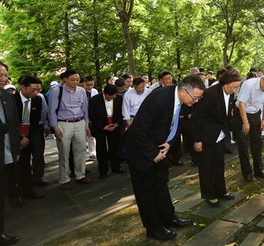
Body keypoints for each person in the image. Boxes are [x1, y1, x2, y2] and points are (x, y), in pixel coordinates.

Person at [125, 75, 205, 241]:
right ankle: (153, 228)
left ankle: (168, 218)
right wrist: (153, 153)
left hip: (161, 149)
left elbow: (177, 125)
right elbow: (137, 130)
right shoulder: (158, 99)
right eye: (195, 97)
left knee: (160, 185)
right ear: (184, 91)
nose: (196, 101)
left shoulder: (184, 103)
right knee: (145, 192)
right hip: (141, 152)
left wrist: (169, 144)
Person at [192, 69, 241, 207]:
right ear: (226, 83)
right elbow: (197, 118)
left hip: (219, 135)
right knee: (206, 167)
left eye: (237, 87)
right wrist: (197, 140)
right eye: (234, 87)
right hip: (205, 136)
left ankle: (221, 191)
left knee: (219, 164)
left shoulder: (230, 94)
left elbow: (225, 115)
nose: (235, 90)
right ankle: (209, 195)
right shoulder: (210, 94)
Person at [49, 69, 92, 188]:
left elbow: (85, 108)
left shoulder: (82, 91)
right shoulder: (57, 91)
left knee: (81, 150)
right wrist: (55, 127)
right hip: (64, 123)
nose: (75, 82)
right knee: (64, 152)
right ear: (65, 79)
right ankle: (64, 178)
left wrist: (86, 124)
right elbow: (52, 110)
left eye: (77, 79)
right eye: (72, 79)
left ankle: (80, 175)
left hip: (80, 122)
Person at [234, 76, 264, 182]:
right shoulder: (248, 85)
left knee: (258, 142)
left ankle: (259, 170)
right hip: (242, 114)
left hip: (255, 114)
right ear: (262, 81)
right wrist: (245, 122)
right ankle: (247, 173)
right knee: (244, 144)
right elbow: (241, 104)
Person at [14, 76, 48, 202]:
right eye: (33, 90)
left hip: (31, 133)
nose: (36, 93)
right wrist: (19, 138)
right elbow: (10, 122)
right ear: (23, 87)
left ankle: (31, 188)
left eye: (38, 90)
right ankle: (20, 191)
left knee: (33, 157)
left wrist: (27, 137)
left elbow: (35, 119)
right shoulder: (12, 100)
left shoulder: (38, 100)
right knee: (20, 163)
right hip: (15, 135)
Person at [0, 61, 21, 245]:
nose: (3, 78)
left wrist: (15, 149)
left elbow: (14, 125)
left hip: (6, 151)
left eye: (5, 74)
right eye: (0, 75)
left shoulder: (7, 96)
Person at [89, 84, 125, 179]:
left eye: (113, 97)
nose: (111, 99)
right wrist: (103, 127)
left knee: (115, 148)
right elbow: (93, 116)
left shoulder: (119, 98)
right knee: (101, 150)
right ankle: (103, 171)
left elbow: (122, 113)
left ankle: (116, 167)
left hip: (114, 126)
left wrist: (117, 124)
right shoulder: (94, 100)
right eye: (109, 98)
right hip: (100, 127)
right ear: (105, 94)